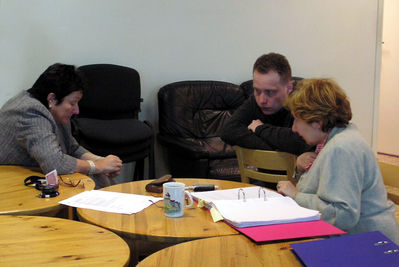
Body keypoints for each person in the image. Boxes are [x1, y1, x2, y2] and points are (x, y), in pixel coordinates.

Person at [277, 78, 399, 243]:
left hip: (370, 245)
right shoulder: (337, 139)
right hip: (365, 240)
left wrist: (296, 195)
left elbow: (343, 215)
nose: (294, 128)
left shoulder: (341, 148)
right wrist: (301, 169)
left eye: (297, 119)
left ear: (317, 122)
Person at [0, 63, 122, 188]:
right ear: (52, 99)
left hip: (34, 175)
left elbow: (72, 148)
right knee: (94, 177)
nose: (76, 111)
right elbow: (55, 163)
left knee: (99, 176)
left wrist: (101, 161)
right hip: (11, 185)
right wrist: (96, 166)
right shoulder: (31, 112)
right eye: (73, 103)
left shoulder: (53, 110)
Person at [221, 52, 311, 155]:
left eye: (270, 92)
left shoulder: (303, 101)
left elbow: (301, 141)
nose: (262, 100)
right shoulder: (254, 101)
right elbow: (228, 131)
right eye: (257, 90)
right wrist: (278, 152)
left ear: (289, 88)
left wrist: (260, 129)